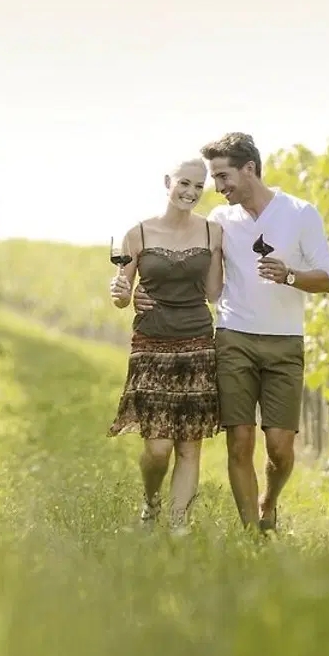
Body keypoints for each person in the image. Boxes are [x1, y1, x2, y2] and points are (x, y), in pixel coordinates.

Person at [129, 132, 329, 535]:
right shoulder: (220, 223)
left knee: (280, 446)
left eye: (222, 178)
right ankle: (251, 534)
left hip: (285, 341)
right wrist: (139, 290)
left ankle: (269, 503)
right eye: (213, 179)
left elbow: (327, 279)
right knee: (239, 440)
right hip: (232, 336)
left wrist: (290, 275)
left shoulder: (301, 213)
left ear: (250, 169)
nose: (217, 188)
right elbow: (180, 260)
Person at [106, 159, 224, 532]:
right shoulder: (137, 234)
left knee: (189, 444)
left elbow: (213, 292)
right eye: (184, 183)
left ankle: (178, 526)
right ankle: (151, 500)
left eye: (198, 187)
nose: (190, 192)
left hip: (197, 341)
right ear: (167, 182)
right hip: (151, 341)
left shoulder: (211, 233)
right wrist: (120, 291)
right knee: (158, 447)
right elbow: (121, 297)